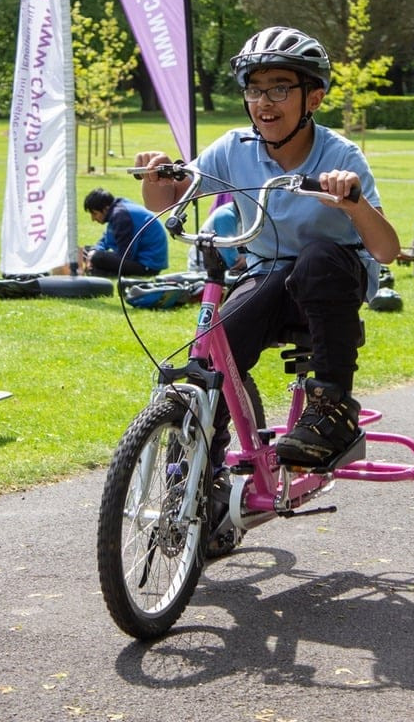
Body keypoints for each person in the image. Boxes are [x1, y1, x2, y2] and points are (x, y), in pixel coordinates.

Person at [135, 25, 400, 476]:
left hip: (331, 285)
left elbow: (387, 249)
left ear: (313, 99)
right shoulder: (233, 149)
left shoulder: (341, 156)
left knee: (317, 257)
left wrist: (352, 202)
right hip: (268, 281)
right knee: (214, 350)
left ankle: (332, 412)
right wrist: (156, 177)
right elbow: (169, 200)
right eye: (254, 90)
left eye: (279, 89)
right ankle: (200, 478)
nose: (263, 102)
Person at [81, 188, 169, 278]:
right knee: (86, 251)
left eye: (94, 214)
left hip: (147, 266)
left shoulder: (121, 216)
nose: (93, 219)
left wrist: (94, 257)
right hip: (139, 258)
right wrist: (94, 251)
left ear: (105, 209)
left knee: (97, 257)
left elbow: (126, 255)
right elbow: (106, 240)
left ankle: (96, 272)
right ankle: (96, 271)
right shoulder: (118, 210)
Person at [186, 199, 247, 275]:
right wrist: (248, 258)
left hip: (219, 266)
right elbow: (233, 260)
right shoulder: (226, 216)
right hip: (206, 270)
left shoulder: (241, 213)